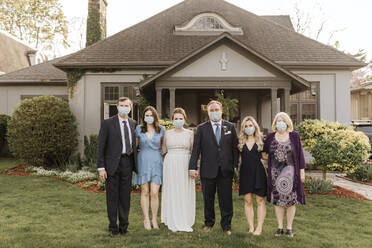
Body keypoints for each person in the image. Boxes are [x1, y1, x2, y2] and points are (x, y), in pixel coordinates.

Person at [189, 100, 239, 236]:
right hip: (207, 169)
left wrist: (235, 165)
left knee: (226, 199)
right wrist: (192, 167)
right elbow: (196, 149)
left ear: (221, 111)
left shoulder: (230, 127)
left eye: (217, 110)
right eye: (212, 110)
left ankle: (226, 225)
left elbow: (235, 148)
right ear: (208, 112)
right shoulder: (201, 128)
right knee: (208, 199)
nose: (215, 112)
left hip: (225, 170)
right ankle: (208, 223)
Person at [97, 97, 137, 237]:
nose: (124, 107)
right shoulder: (108, 123)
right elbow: (101, 147)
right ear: (117, 106)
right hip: (112, 165)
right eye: (121, 105)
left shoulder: (133, 123)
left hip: (127, 163)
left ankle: (124, 227)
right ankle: (113, 227)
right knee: (112, 197)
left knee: (125, 197)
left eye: (127, 105)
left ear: (130, 108)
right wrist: (101, 167)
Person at [262, 112, 306, 237]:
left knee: (291, 202)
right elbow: (264, 152)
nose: (280, 123)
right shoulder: (270, 137)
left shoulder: (294, 136)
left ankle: (289, 228)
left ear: (287, 123)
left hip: (292, 175)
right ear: (275, 123)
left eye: (282, 120)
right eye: (277, 121)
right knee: (278, 201)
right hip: (275, 174)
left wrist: (302, 171)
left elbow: (300, 154)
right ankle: (280, 227)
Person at [161, 108, 195, 232]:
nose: (178, 120)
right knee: (172, 189)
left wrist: (194, 167)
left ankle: (184, 217)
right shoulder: (167, 133)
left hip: (185, 162)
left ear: (185, 120)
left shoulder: (190, 133)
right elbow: (163, 150)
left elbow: (193, 151)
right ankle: (172, 217)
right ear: (172, 120)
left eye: (181, 118)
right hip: (170, 163)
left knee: (184, 189)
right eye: (176, 118)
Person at [133, 106, 165, 230]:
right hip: (143, 161)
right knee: (145, 191)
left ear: (155, 116)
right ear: (143, 117)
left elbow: (164, 147)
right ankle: (146, 219)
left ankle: (154, 219)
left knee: (155, 192)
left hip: (156, 161)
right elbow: (135, 147)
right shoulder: (138, 129)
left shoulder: (161, 130)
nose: (149, 117)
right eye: (146, 115)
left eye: (151, 115)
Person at [238, 116, 267, 236]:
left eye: (251, 125)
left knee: (260, 200)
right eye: (246, 126)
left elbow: (266, 157)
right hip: (245, 173)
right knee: (248, 200)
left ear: (255, 127)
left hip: (258, 173)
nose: (248, 128)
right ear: (243, 128)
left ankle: (259, 228)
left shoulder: (261, 141)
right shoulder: (240, 143)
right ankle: (251, 227)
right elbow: (237, 158)